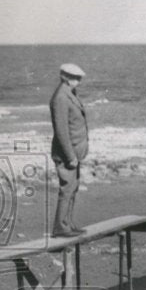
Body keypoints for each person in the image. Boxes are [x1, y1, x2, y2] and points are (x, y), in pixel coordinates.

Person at [49, 63, 89, 237]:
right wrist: (70, 156)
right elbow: (61, 131)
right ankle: (60, 227)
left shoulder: (68, 94)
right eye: (75, 78)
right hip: (67, 153)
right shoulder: (61, 97)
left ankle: (68, 224)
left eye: (79, 78)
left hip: (74, 152)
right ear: (64, 77)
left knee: (73, 187)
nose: (78, 81)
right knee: (67, 189)